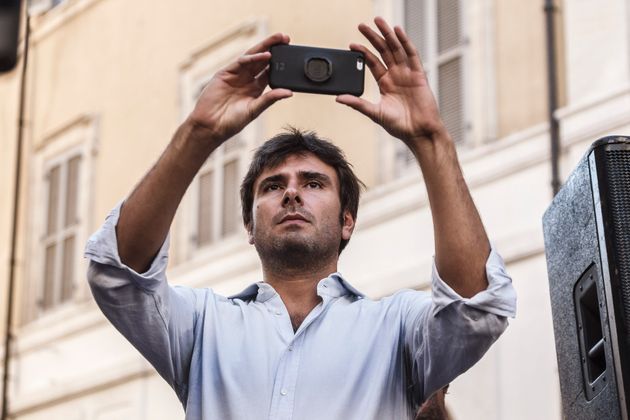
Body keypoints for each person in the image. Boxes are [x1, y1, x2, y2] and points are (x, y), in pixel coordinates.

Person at [85, 17, 516, 419]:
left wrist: (430, 140)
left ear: (348, 221)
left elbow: (475, 308)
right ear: (250, 227)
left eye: (313, 183)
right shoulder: (201, 327)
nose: (291, 191)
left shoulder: (396, 327)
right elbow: (118, 272)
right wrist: (200, 132)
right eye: (272, 186)